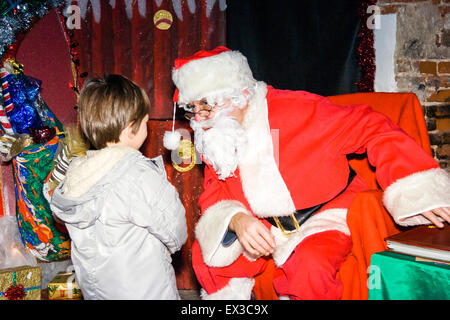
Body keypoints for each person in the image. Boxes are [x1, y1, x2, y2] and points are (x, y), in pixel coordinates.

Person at [169, 46, 450, 300]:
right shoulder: (217, 137)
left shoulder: (299, 109)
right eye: (193, 110)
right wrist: (237, 220)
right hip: (265, 222)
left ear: (240, 95)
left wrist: (415, 185)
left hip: (323, 215)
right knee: (209, 260)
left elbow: (372, 126)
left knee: (309, 269)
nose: (200, 119)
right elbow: (214, 193)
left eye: (208, 106)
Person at [50, 74, 187, 300]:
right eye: (145, 123)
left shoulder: (77, 173)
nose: (147, 128)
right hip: (146, 291)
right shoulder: (137, 174)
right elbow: (176, 230)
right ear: (130, 128)